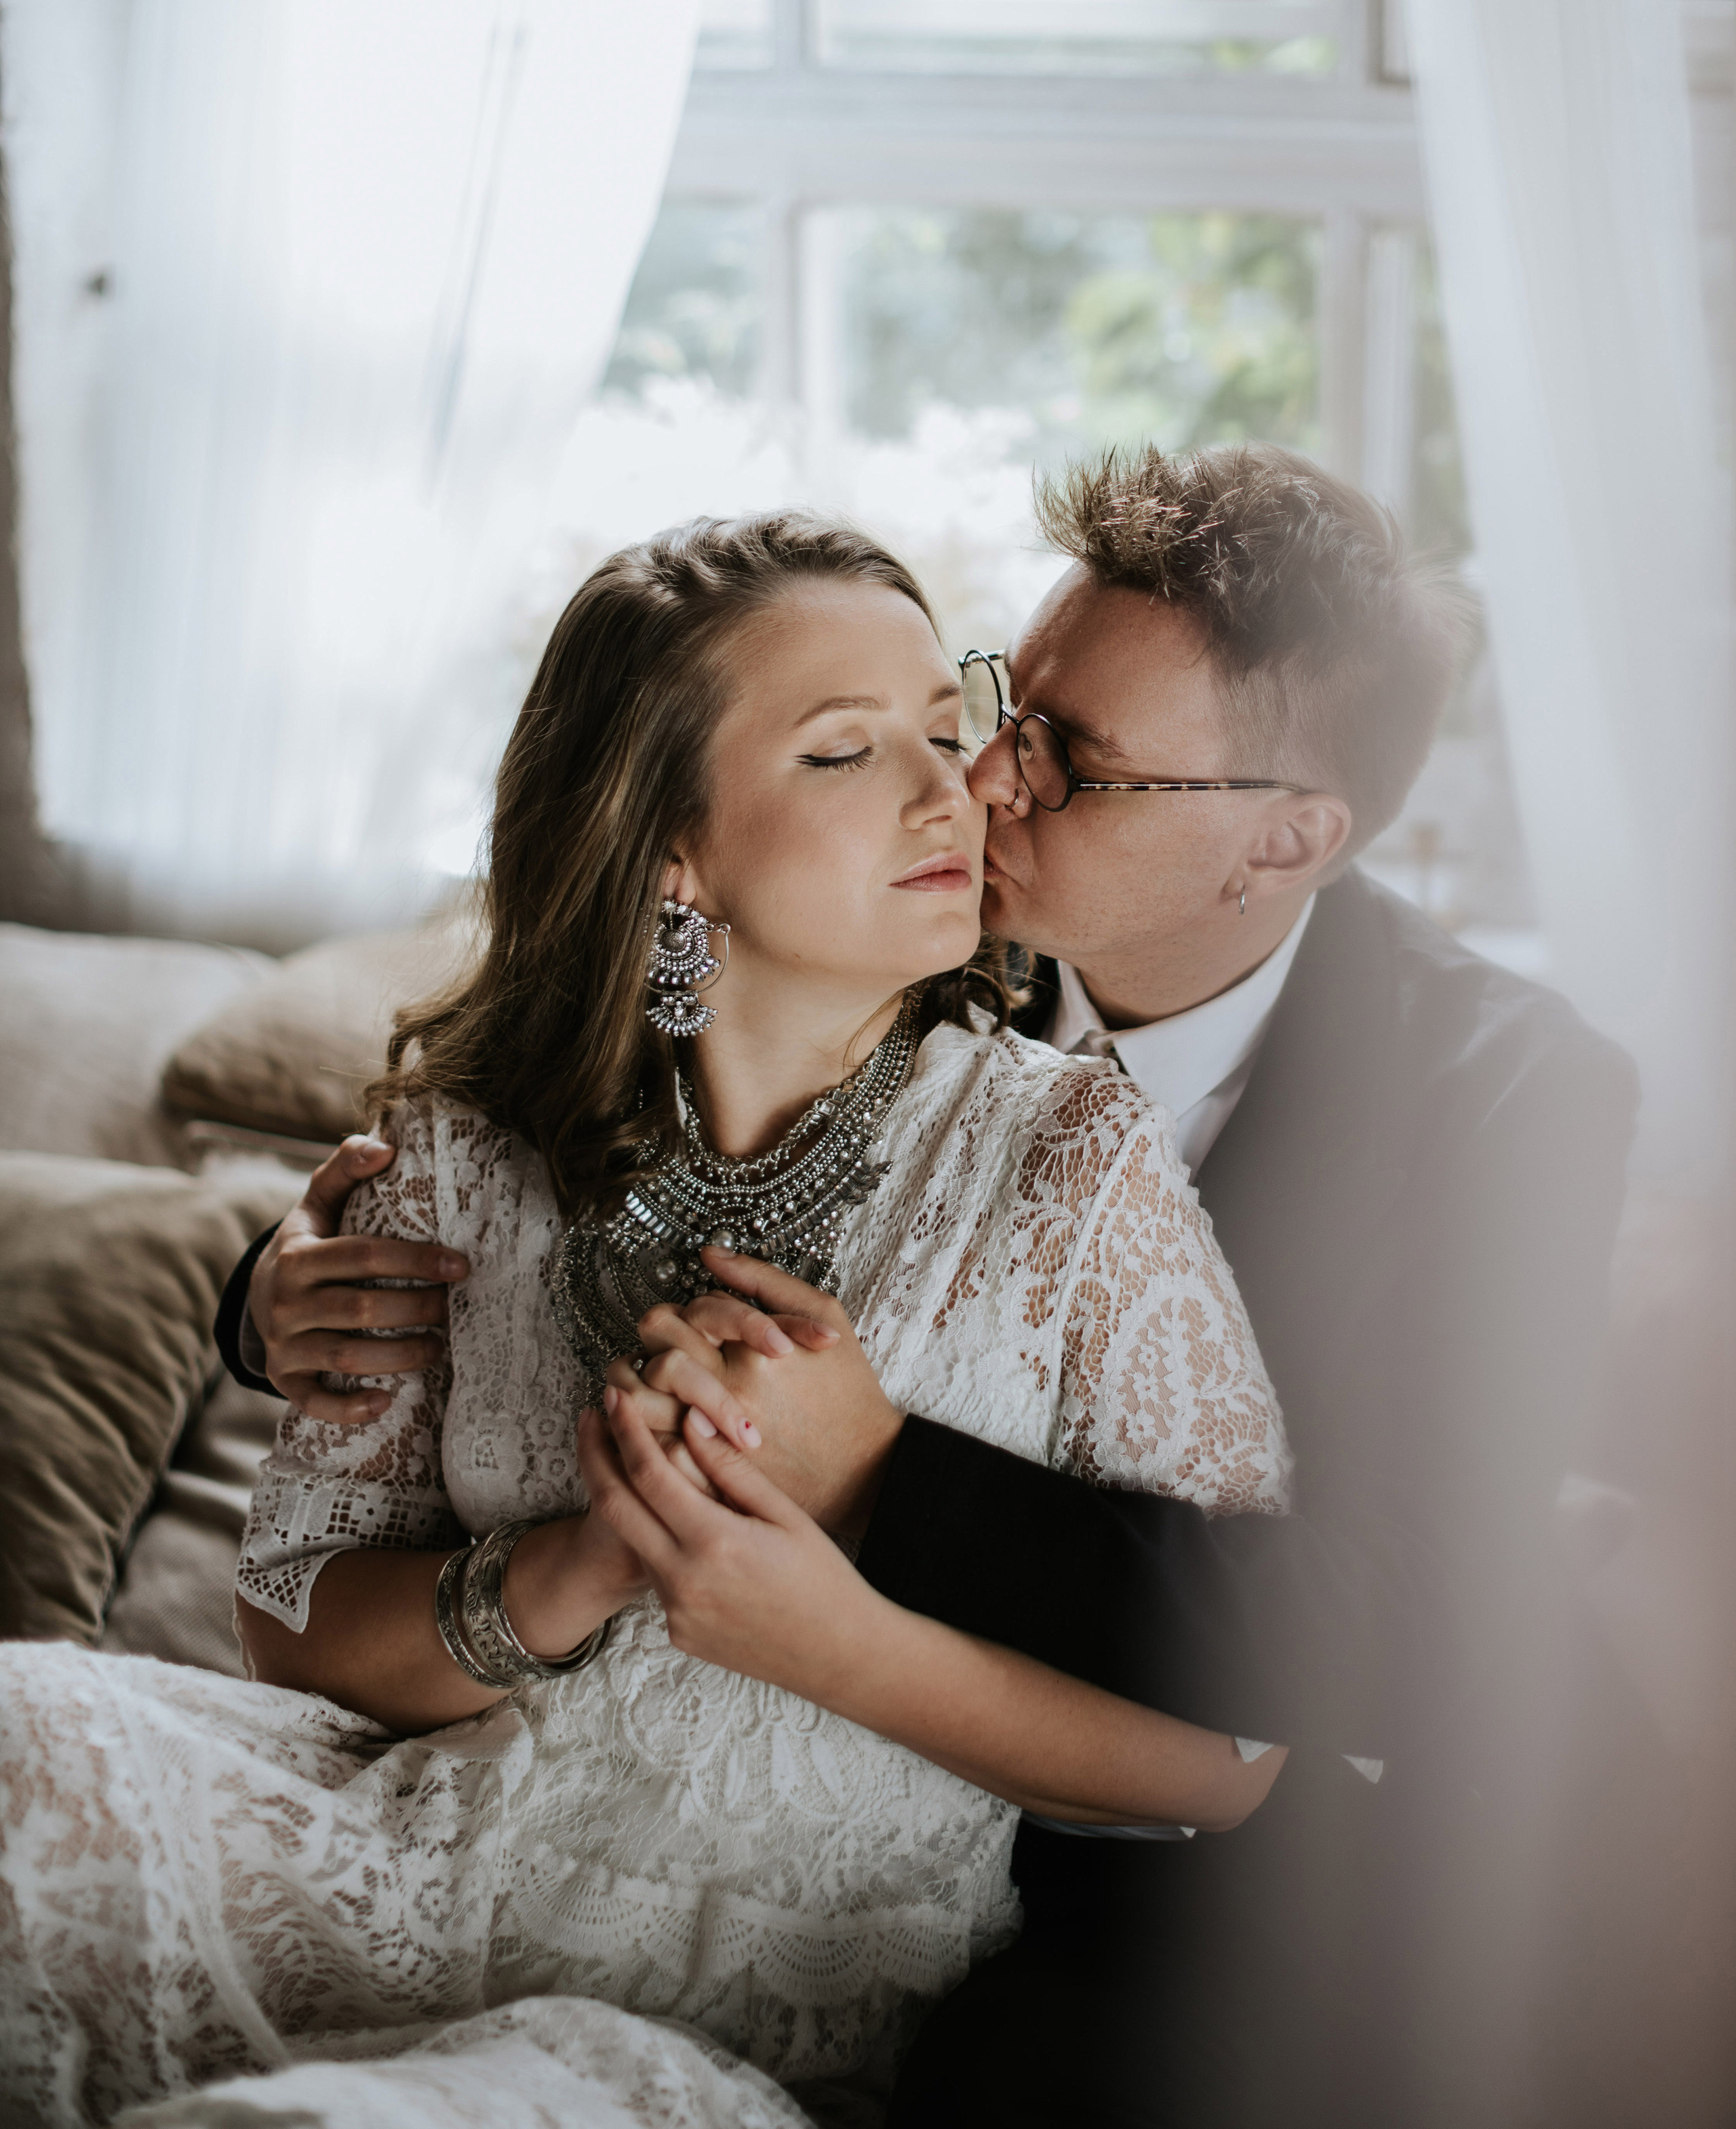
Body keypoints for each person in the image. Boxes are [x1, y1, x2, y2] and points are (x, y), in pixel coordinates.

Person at [226, 447, 1639, 2126]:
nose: (982, 776)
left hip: (1190, 1876)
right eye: (1001, 701)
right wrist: (278, 1292)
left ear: (1277, 842)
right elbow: (574, 1093)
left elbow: (1381, 1623)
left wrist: (881, 1472)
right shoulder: (886, 921)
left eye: (1074, 761)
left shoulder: (1503, 1096)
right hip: (569, 1802)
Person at [2, 510, 1301, 2128]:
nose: (947, 791)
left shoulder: (1071, 1154)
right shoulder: (457, 1145)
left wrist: (838, 1642)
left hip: (778, 1985)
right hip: (401, 1865)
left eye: (948, 733)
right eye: (844, 753)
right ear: (668, 849)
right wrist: (574, 1568)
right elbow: (288, 1612)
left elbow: (1245, 1747)